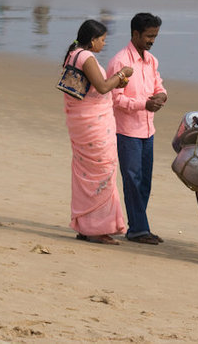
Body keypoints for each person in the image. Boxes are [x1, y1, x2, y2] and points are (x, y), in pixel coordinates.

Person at [63, 20, 134, 245]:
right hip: (93, 124)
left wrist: (116, 82)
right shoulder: (86, 57)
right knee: (103, 170)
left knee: (86, 172)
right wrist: (122, 74)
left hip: (82, 122)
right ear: (92, 40)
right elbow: (103, 87)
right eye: (102, 39)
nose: (104, 43)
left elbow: (94, 87)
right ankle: (96, 229)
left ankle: (86, 225)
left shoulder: (73, 54)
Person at [106, 13, 167, 245]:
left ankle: (138, 226)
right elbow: (115, 99)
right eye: (149, 36)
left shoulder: (151, 60)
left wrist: (161, 95)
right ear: (135, 34)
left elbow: (158, 85)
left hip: (148, 130)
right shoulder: (121, 61)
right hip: (126, 130)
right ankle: (139, 229)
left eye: (155, 36)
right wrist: (144, 104)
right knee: (132, 179)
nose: (152, 40)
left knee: (145, 181)